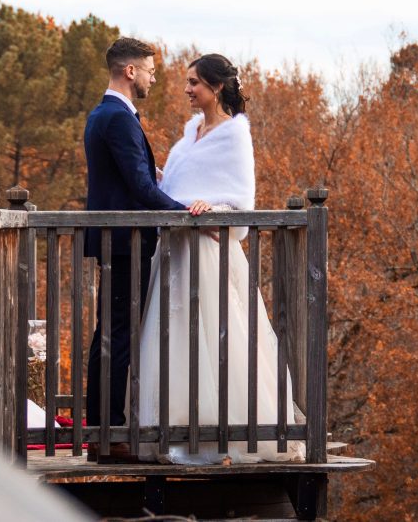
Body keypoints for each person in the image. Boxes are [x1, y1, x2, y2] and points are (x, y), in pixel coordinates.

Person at [137, 54, 305, 463]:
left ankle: (221, 437)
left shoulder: (234, 136)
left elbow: (239, 201)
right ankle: (172, 433)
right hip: (175, 251)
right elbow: (177, 182)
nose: (187, 89)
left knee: (216, 339)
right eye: (187, 82)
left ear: (215, 87)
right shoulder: (189, 133)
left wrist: (209, 210)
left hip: (209, 252)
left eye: (194, 82)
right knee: (174, 340)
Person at [83, 37, 192, 463]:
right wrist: (186, 212)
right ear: (130, 71)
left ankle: (102, 433)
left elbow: (133, 176)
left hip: (118, 240)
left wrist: (157, 172)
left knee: (109, 335)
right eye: (149, 69)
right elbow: (141, 190)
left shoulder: (105, 114)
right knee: (116, 337)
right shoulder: (117, 118)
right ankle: (108, 438)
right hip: (124, 242)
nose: (152, 76)